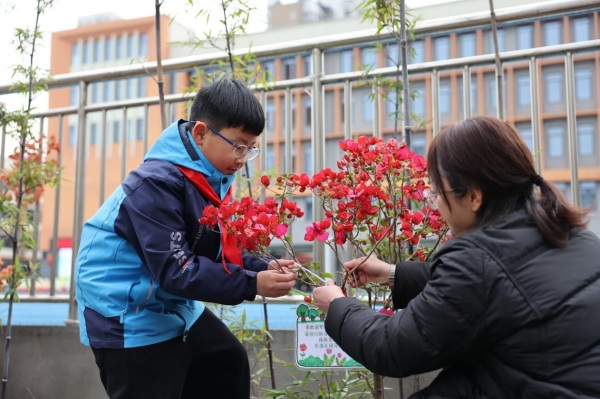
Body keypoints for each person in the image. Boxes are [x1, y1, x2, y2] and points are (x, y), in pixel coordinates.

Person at [312, 116, 600, 398]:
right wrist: (393, 274)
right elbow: (498, 284)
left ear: (474, 197)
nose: (436, 202)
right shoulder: (568, 232)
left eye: (438, 191)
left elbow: (392, 348)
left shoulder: (477, 260)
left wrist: (338, 305)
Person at [74, 76, 297, 399]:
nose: (242, 158)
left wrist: (260, 267)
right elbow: (177, 270)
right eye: (238, 145)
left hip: (168, 301)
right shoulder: (155, 183)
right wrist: (251, 283)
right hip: (126, 311)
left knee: (225, 362)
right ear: (201, 133)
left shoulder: (209, 175)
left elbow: (214, 249)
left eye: (251, 149)